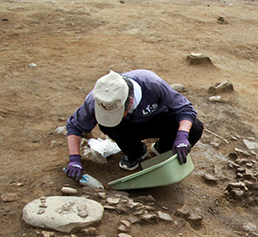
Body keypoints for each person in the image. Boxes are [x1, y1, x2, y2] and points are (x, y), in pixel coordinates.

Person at [64, 69, 203, 180]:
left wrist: (182, 136)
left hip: (159, 119)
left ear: (129, 101)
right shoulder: (96, 98)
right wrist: (74, 159)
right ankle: (136, 152)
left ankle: (162, 149)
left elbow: (185, 109)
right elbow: (74, 126)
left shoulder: (151, 83)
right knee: (107, 125)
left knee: (195, 128)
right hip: (127, 127)